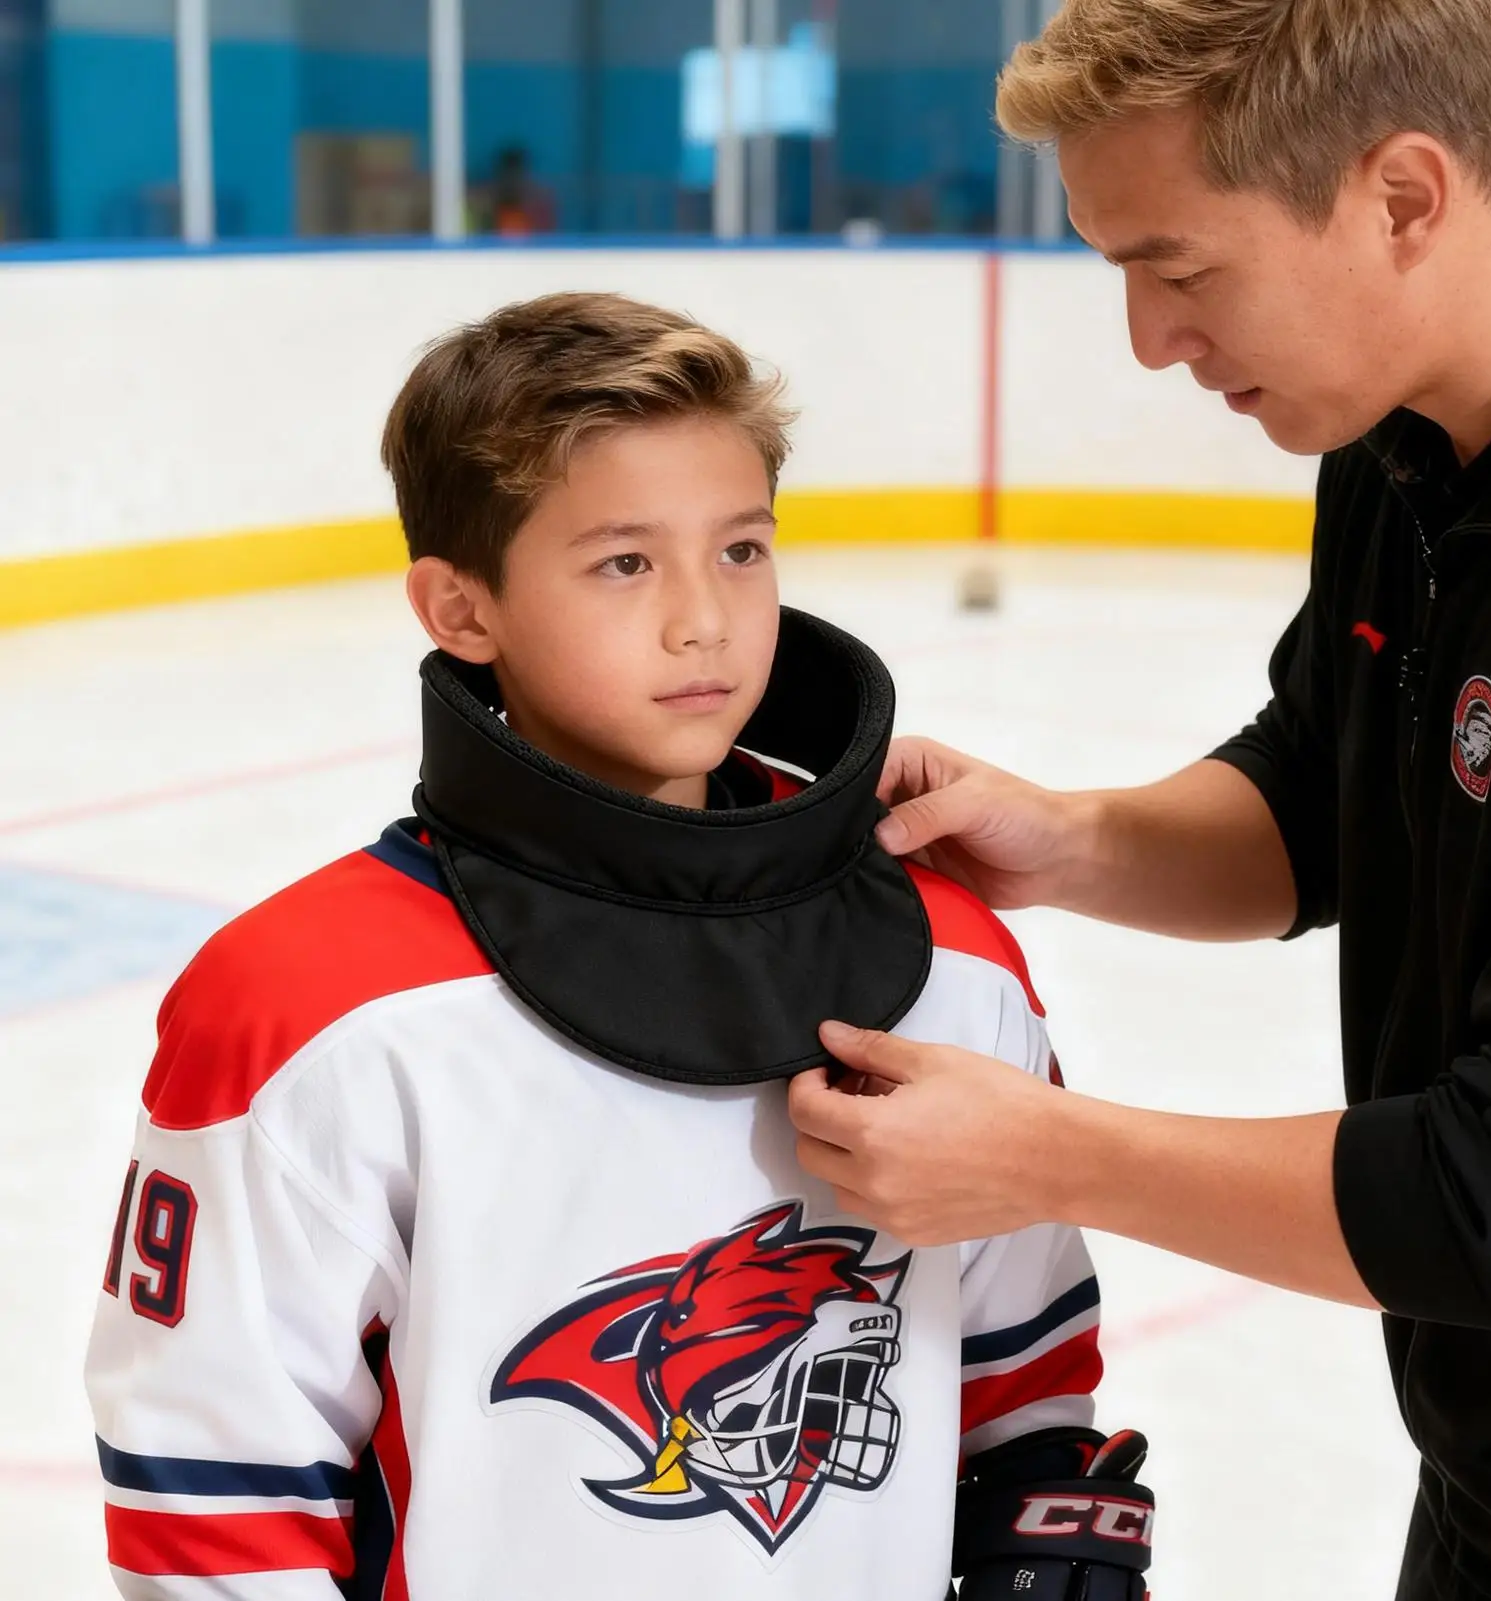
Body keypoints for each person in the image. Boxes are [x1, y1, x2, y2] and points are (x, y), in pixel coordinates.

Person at [84, 293, 1154, 1600]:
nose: (705, 619)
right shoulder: (304, 1006)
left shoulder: (952, 956)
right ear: (460, 608)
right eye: (625, 563)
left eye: (744, 550)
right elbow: (215, 1491)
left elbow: (1024, 1389)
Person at [786, 3, 1491, 1599]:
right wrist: (1074, 837)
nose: (1155, 341)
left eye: (1181, 269)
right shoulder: (1410, 422)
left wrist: (1048, 1158)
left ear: (1405, 196)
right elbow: (1325, 789)